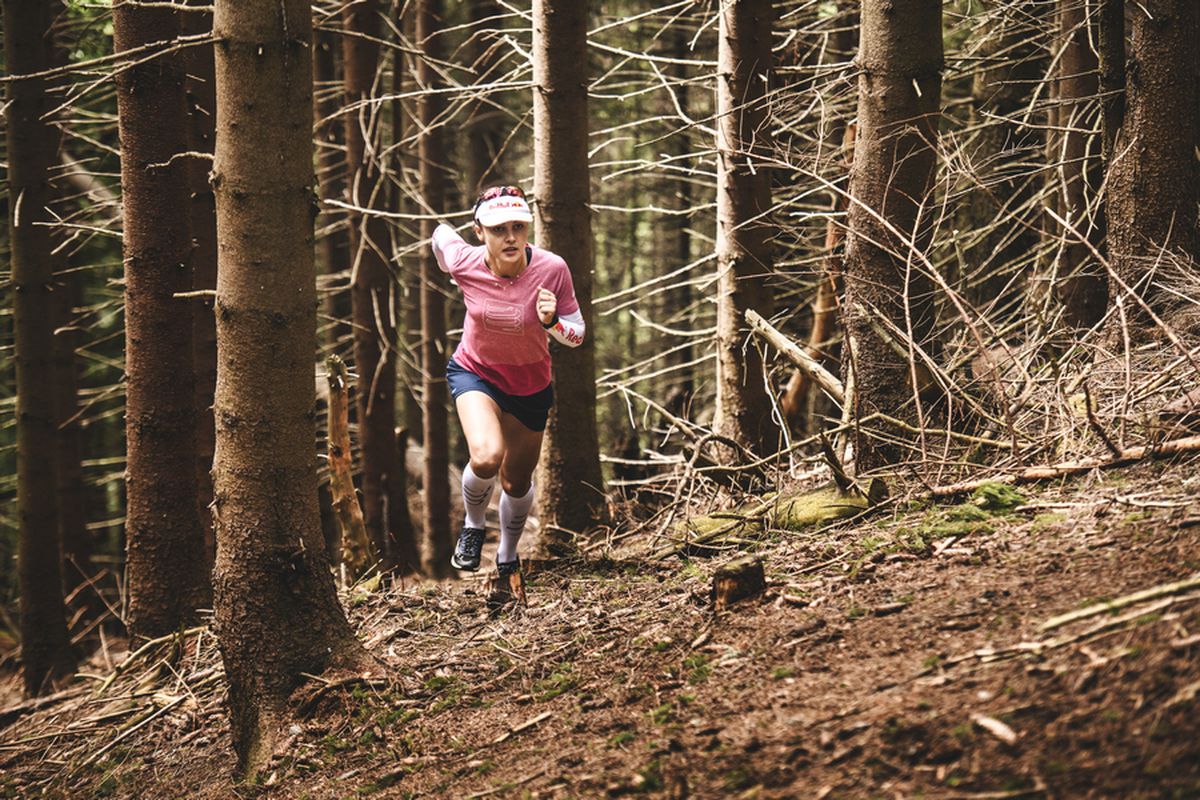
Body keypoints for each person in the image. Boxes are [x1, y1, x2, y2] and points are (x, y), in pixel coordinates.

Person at [430, 185, 585, 585]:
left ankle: (507, 554)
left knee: (516, 481)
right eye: (499, 229)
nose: (511, 236)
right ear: (480, 231)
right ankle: (473, 527)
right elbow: (440, 235)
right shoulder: (464, 260)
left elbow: (578, 334)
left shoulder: (553, 269)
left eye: (519, 226)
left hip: (530, 385)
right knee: (485, 456)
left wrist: (552, 323)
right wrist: (446, 266)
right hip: (475, 372)